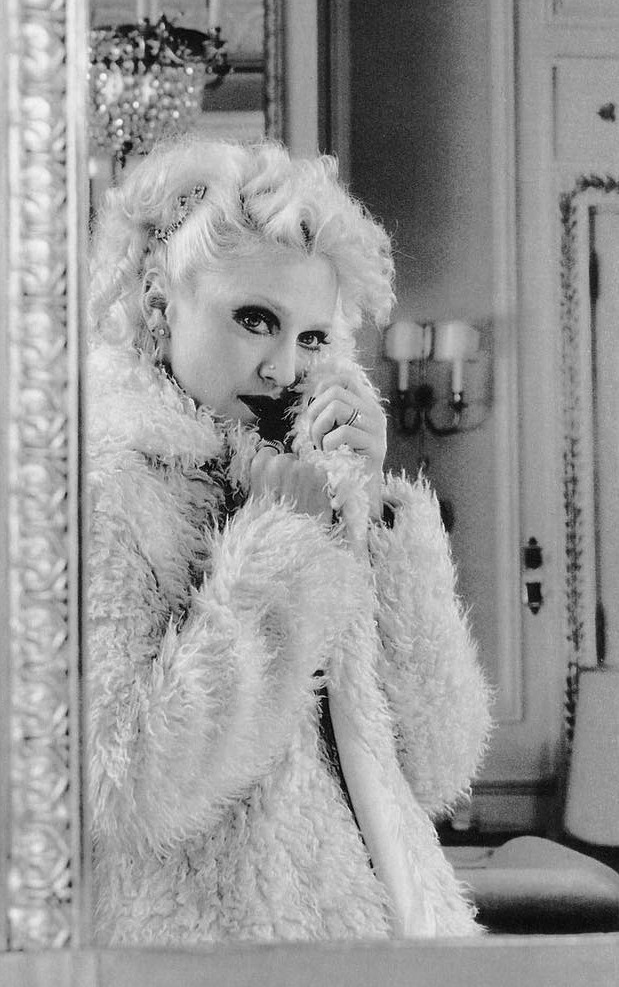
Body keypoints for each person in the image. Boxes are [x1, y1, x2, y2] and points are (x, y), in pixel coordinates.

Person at [86, 135, 491, 948]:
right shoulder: (104, 490)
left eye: (310, 337)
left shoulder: (322, 490)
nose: (283, 369)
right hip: (221, 957)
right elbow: (128, 785)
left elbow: (438, 765)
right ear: (160, 305)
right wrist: (273, 552)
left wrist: (375, 521)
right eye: (254, 319)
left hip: (392, 949)